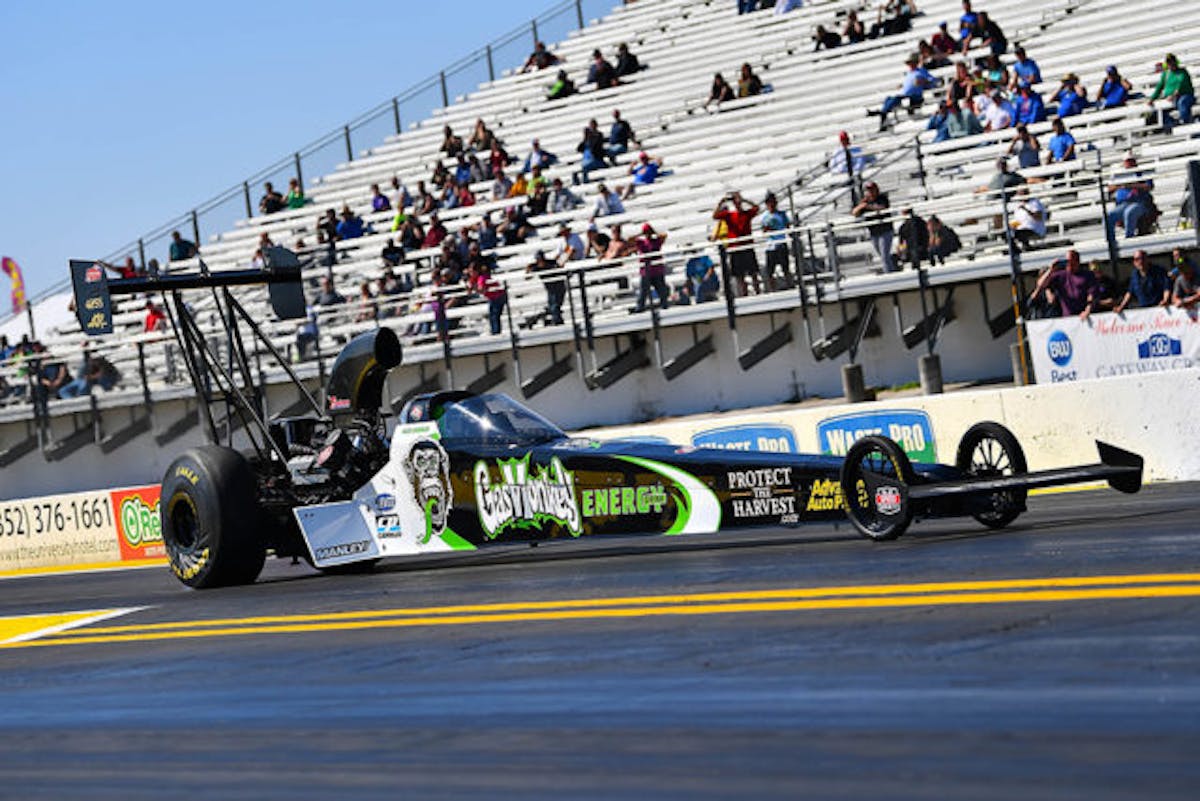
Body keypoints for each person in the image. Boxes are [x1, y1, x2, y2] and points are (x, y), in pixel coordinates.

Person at [713, 191, 761, 294]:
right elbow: (715, 216)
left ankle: (758, 293)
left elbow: (757, 208)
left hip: (747, 247)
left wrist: (744, 200)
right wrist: (721, 203)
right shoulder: (730, 215)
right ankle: (744, 294)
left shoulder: (746, 214)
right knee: (740, 275)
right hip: (735, 248)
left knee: (753, 273)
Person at [1030, 249, 1098, 319]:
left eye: (1070, 261)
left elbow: (1092, 294)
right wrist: (1051, 269)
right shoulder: (1061, 275)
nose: (1068, 264)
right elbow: (1041, 284)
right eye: (1066, 261)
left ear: (1077, 261)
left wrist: (1087, 310)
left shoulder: (1088, 275)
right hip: (1067, 318)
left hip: (1086, 316)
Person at [1106, 156, 1156, 240]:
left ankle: (1129, 238)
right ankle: (1110, 240)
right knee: (1109, 216)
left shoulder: (1142, 173)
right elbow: (1110, 189)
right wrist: (1120, 185)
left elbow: (1148, 186)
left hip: (1140, 203)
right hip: (1123, 203)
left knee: (1129, 212)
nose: (1129, 163)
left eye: (1131, 161)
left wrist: (1130, 185)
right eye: (1127, 161)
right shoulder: (1119, 175)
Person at [878, 56, 934, 130]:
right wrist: (902, 85)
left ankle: (882, 113)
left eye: (911, 63)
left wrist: (923, 81)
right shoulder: (908, 73)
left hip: (915, 96)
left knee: (895, 99)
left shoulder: (921, 71)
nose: (910, 65)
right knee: (888, 98)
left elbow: (932, 80)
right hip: (906, 95)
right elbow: (908, 84)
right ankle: (883, 116)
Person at [852, 182, 896, 273]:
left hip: (885, 231)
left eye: (871, 190)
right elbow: (855, 212)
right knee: (883, 256)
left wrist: (868, 206)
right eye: (868, 190)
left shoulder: (882, 198)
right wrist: (862, 206)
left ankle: (889, 274)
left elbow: (882, 208)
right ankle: (892, 269)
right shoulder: (864, 202)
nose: (870, 192)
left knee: (884, 255)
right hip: (874, 233)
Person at [1147, 53, 1195, 127]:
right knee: (1159, 110)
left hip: (1184, 95)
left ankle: (1186, 124)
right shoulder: (1166, 74)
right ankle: (1171, 125)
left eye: (1172, 62)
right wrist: (1152, 98)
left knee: (1182, 103)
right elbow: (1159, 87)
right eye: (1169, 62)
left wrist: (1173, 95)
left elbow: (1181, 85)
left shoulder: (1182, 72)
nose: (1171, 64)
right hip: (1170, 98)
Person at [633, 224, 670, 312]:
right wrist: (640, 234)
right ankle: (640, 307)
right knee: (643, 292)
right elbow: (630, 240)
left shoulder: (656, 241)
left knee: (661, 290)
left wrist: (654, 232)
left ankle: (664, 305)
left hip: (657, 270)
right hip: (645, 271)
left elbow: (664, 235)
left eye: (648, 232)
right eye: (646, 232)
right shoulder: (641, 242)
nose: (647, 234)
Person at [759, 193, 792, 290]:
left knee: (785, 268)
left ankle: (790, 285)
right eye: (769, 202)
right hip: (771, 245)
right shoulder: (765, 216)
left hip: (781, 243)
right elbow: (764, 230)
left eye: (773, 202)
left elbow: (787, 226)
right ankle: (772, 289)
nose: (771, 204)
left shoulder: (782, 214)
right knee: (770, 270)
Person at [465, 261, 506, 335]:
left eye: (472, 271)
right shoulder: (474, 279)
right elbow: (469, 289)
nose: (470, 273)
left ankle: (496, 332)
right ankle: (495, 331)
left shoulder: (482, 278)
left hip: (498, 296)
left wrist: (474, 288)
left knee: (495, 315)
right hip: (492, 297)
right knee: (492, 315)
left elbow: (481, 290)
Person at [527, 250, 566, 326]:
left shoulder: (551, 263)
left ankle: (557, 321)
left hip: (558, 287)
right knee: (552, 305)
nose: (539, 261)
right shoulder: (535, 266)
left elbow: (561, 270)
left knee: (555, 305)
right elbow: (527, 277)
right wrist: (529, 269)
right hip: (550, 289)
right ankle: (557, 320)